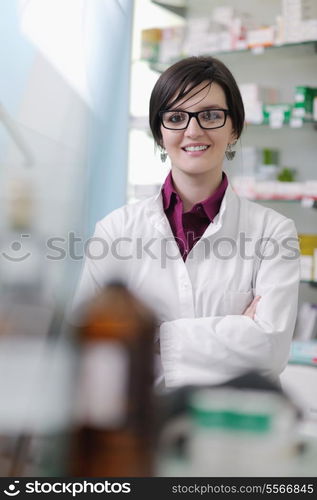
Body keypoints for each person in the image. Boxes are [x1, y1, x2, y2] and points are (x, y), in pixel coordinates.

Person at [72, 56, 300, 390]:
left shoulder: (273, 233)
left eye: (210, 115)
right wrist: (234, 331)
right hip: (141, 427)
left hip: (230, 428)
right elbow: (88, 344)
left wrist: (149, 336)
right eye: (176, 117)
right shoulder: (115, 231)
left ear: (234, 127)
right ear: (159, 133)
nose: (193, 130)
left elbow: (270, 352)